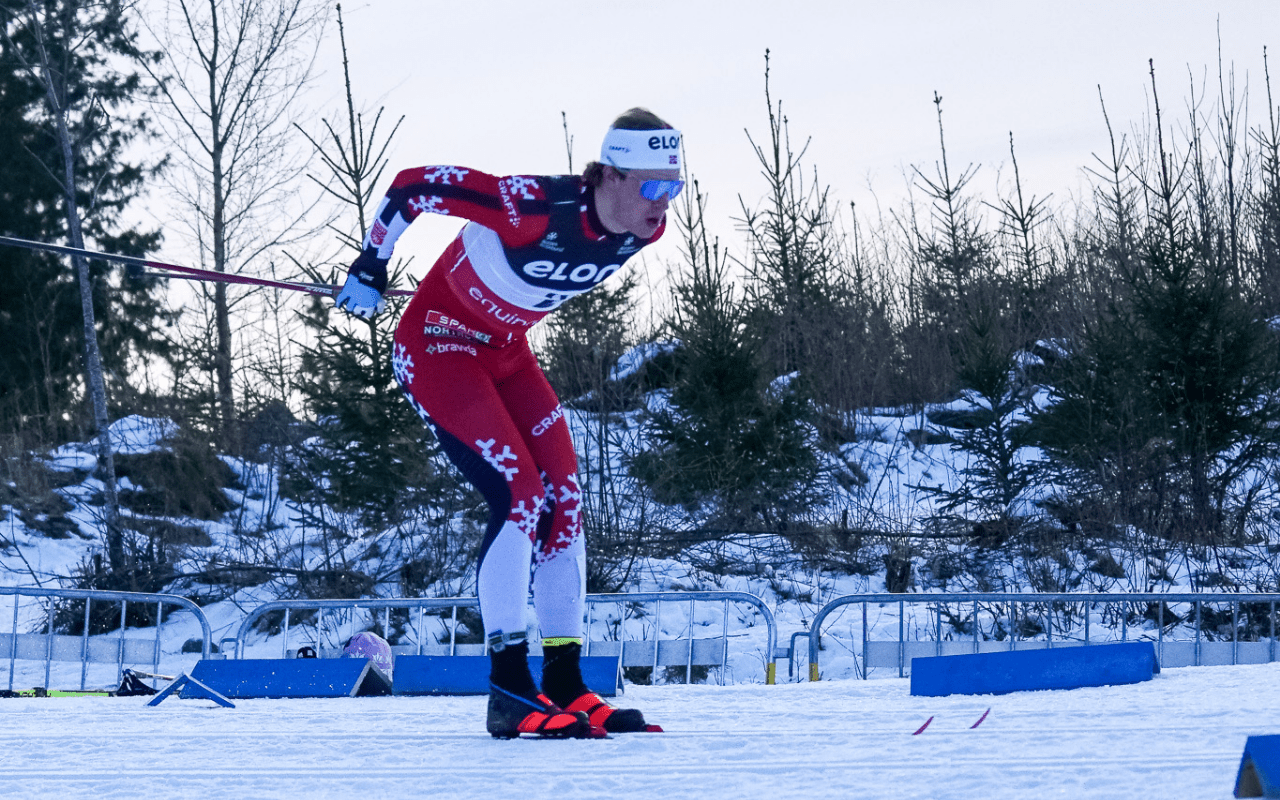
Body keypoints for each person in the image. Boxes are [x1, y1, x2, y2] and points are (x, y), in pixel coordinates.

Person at [334, 108, 682, 738]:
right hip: (438, 347)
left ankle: (566, 684)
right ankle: (509, 690)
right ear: (608, 176)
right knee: (520, 493)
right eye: (653, 187)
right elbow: (415, 185)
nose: (665, 206)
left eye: (675, 188)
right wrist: (371, 263)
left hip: (505, 352)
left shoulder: (642, 232)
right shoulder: (533, 207)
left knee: (566, 499)